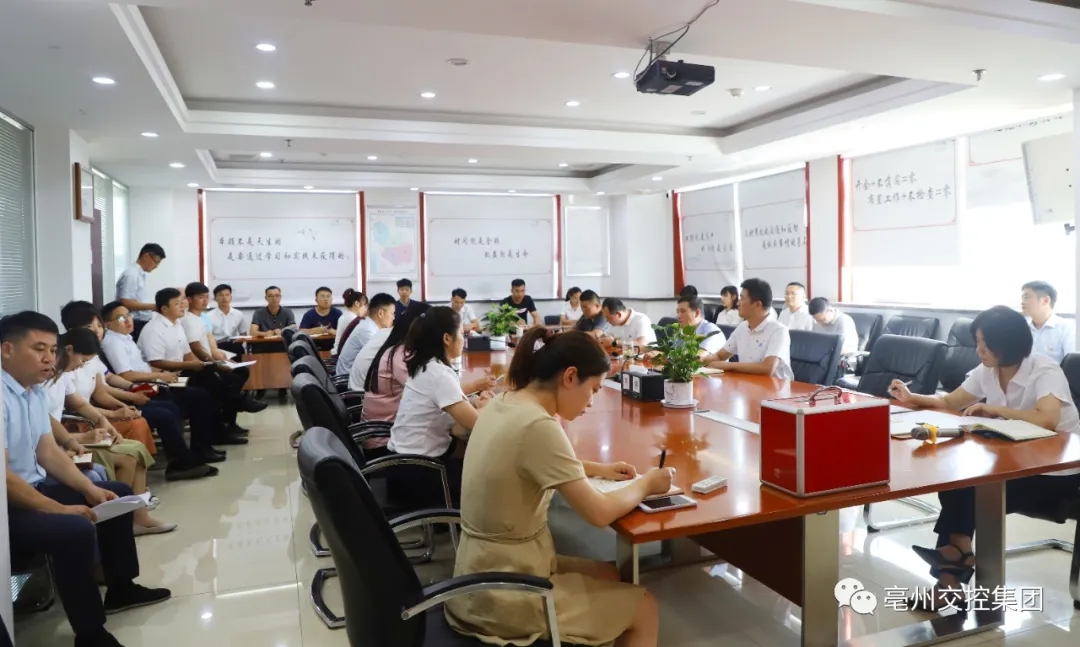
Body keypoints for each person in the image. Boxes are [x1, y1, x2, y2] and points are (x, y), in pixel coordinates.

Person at [444, 327, 667, 647]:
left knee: (609, 574)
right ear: (570, 377)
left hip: (480, 571)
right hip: (505, 591)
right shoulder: (538, 425)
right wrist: (647, 483)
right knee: (645, 607)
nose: (591, 402)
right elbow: (600, 513)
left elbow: (535, 459)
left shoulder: (505, 400)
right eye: (593, 389)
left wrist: (599, 469)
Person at [889, 305, 1080, 611]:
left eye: (985, 343)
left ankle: (952, 572)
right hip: (1016, 463)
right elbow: (950, 401)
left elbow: (1047, 420)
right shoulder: (988, 370)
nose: (979, 350)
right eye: (977, 341)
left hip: (1059, 474)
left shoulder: (1044, 370)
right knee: (956, 483)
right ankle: (955, 564)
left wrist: (995, 409)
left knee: (971, 491)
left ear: (1009, 344)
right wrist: (913, 398)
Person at [2, 311, 171, 647]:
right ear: (7, 349)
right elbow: (3, 478)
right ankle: (91, 634)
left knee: (116, 493)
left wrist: (90, 489)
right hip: (9, 506)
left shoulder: (33, 391)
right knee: (75, 530)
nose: (49, 358)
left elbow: (48, 453)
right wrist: (58, 508)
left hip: (34, 489)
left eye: (53, 350)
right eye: (39, 349)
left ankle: (121, 588)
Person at [61, 302, 214, 481]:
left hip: (101, 408)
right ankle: (174, 464)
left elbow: (102, 387)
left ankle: (184, 458)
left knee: (174, 404)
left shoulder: (93, 354)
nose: (97, 331)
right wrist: (122, 405)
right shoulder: (70, 362)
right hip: (83, 419)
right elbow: (81, 403)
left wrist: (130, 395)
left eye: (99, 326)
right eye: (89, 327)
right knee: (157, 415)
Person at [46, 329, 177, 536]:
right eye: (82, 359)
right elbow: (46, 423)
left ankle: (140, 518)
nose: (81, 365)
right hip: (59, 441)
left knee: (137, 449)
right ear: (68, 350)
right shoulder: (40, 380)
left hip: (65, 438)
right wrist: (79, 438)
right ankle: (119, 524)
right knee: (127, 458)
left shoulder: (62, 375)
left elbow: (79, 403)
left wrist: (103, 421)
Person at [387, 307, 494, 508]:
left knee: (468, 450)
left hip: (403, 467)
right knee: (493, 479)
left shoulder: (426, 365)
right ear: (447, 338)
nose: (463, 339)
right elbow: (479, 425)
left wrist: (473, 403)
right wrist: (489, 406)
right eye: (461, 334)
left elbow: (450, 409)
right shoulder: (439, 374)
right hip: (420, 476)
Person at [99, 301, 227, 466]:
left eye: (129, 315)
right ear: (108, 324)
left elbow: (141, 367)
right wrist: (158, 376)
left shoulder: (125, 338)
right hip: (141, 388)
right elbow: (126, 375)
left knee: (201, 391)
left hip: (151, 382)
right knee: (194, 398)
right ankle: (188, 457)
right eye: (122, 318)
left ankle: (199, 450)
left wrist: (161, 374)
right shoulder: (113, 342)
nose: (128, 320)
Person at [138, 288, 253, 445]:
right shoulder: (154, 329)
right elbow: (156, 362)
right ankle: (236, 405)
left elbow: (187, 353)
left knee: (212, 377)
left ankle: (222, 428)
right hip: (163, 377)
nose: (183, 305)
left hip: (180, 372)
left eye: (182, 301)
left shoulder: (177, 324)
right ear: (164, 308)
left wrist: (201, 364)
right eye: (178, 303)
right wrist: (192, 365)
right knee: (207, 390)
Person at [364, 303, 494, 424]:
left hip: (399, 424)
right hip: (386, 428)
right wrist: (488, 404)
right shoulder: (404, 356)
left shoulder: (416, 357)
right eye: (461, 334)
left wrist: (472, 400)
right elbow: (439, 392)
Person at [181, 283, 264, 426]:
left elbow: (209, 342)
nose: (205, 301)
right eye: (201, 297)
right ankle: (238, 404)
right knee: (227, 382)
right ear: (189, 299)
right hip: (198, 364)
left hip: (212, 357)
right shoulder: (189, 319)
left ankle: (234, 409)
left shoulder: (200, 318)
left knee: (241, 371)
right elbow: (196, 348)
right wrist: (216, 364)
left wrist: (219, 360)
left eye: (206, 297)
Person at [703, 278, 794, 380]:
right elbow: (720, 356)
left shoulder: (779, 330)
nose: (738, 303)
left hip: (776, 388)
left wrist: (729, 366)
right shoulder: (742, 327)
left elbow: (767, 368)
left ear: (757, 304)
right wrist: (696, 360)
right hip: (748, 384)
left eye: (742, 298)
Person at [115, 243, 165, 341]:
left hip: (139, 321)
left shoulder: (139, 274)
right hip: (133, 322)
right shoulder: (132, 274)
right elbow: (126, 302)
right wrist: (153, 307)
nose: (156, 266)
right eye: (156, 262)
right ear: (146, 256)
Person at [339, 292, 395, 380]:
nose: (393, 318)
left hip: (354, 375)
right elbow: (381, 361)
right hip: (347, 379)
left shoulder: (369, 325)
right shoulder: (367, 331)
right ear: (380, 313)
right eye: (392, 313)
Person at [1021, 280, 1075, 363]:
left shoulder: (1068, 329)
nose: (1022, 302)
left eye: (1026, 297)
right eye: (1022, 298)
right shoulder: (1021, 328)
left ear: (1046, 300)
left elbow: (1072, 363)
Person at [207, 284, 248, 357]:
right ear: (215, 298)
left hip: (234, 345)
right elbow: (208, 338)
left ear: (231, 297)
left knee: (240, 352)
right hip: (217, 346)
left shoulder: (238, 314)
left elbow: (243, 334)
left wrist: (239, 340)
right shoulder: (208, 316)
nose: (224, 298)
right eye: (221, 295)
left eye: (227, 295)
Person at [332, 289, 368, 355]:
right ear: (356, 303)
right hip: (341, 354)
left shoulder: (347, 315)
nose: (366, 309)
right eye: (365, 305)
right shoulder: (352, 319)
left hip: (340, 352)